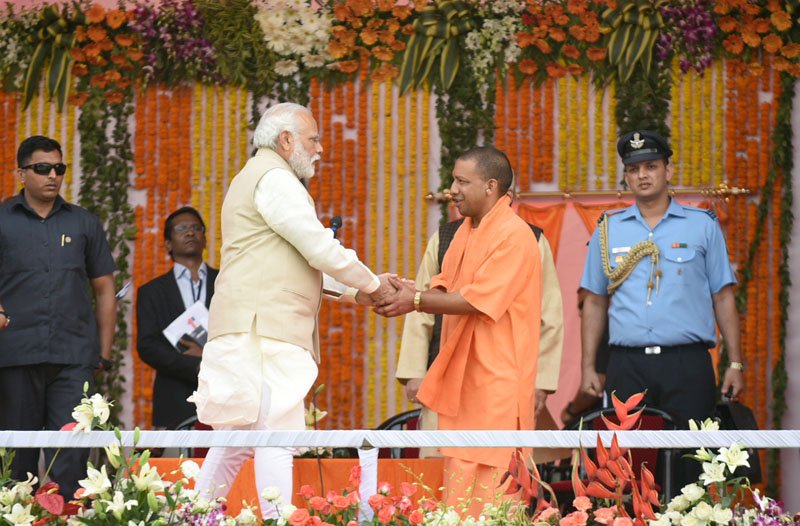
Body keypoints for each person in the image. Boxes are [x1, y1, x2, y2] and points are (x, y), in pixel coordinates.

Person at [190, 102, 394, 519]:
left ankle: (187, 518)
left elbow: (303, 258)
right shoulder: (276, 179)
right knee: (276, 437)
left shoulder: (259, 176)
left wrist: (362, 292)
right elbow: (319, 247)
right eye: (313, 138)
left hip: (253, 329)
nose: (320, 148)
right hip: (264, 330)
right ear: (286, 140)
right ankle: (280, 520)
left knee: (234, 442)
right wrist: (372, 285)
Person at [377, 146, 541, 517]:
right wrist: (399, 293)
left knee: (492, 495)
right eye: (453, 179)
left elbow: (472, 300)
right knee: (458, 492)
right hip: (463, 382)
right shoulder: (465, 231)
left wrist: (413, 300)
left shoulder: (515, 236)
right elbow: (442, 288)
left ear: (490, 186)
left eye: (462, 181)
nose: (452, 188)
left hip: (498, 384)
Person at [579, 130, 744, 487]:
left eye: (651, 166)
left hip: (687, 362)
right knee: (627, 465)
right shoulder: (609, 229)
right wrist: (588, 366)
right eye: (633, 168)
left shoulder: (702, 225)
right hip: (626, 363)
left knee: (693, 463)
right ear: (626, 176)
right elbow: (594, 299)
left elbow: (723, 296)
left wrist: (734, 362)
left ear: (668, 171)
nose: (642, 175)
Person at [396, 189, 564, 457]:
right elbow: (421, 305)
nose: (454, 190)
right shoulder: (445, 238)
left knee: (500, 475)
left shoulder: (529, 239)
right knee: (439, 474)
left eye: (464, 182)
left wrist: (541, 382)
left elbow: (549, 315)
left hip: (503, 381)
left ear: (499, 190)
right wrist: (415, 371)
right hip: (445, 373)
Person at [0, 135, 117, 498]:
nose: (53, 175)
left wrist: (104, 353)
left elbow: (104, 289)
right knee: (15, 460)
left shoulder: (83, 223)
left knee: (70, 460)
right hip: (15, 355)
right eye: (42, 168)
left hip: (73, 358)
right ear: (21, 172)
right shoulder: (1, 219)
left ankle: (68, 519)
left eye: (59, 168)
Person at [136, 206, 218, 430]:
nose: (190, 233)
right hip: (173, 397)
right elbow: (147, 346)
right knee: (176, 464)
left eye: (196, 228)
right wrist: (195, 365)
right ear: (168, 244)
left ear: (204, 239)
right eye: (182, 228)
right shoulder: (151, 291)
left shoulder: (226, 282)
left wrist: (209, 356)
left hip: (223, 394)